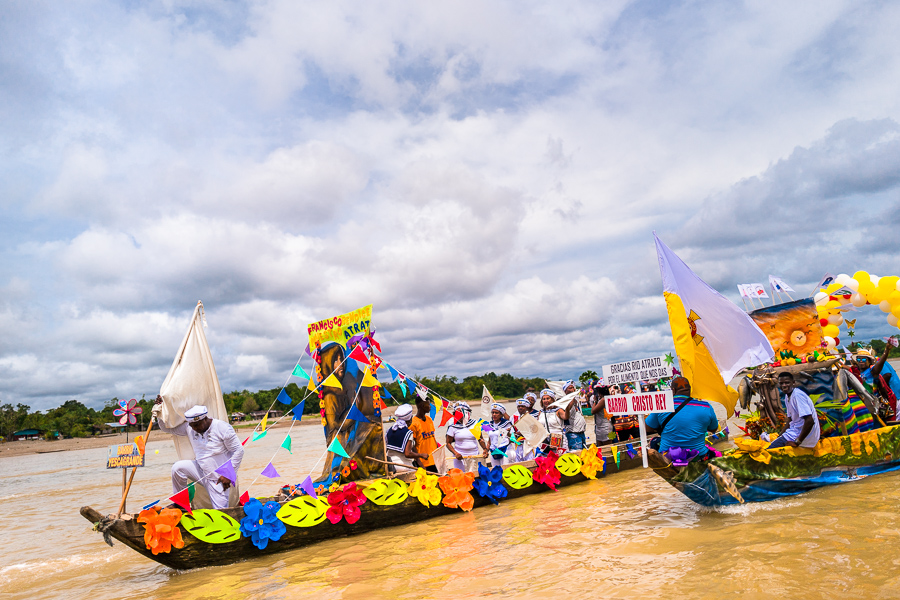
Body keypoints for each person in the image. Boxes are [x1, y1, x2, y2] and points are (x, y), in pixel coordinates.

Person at [153, 398, 244, 510]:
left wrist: (228, 474)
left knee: (222, 514)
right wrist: (160, 411)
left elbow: (239, 450)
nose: (195, 428)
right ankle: (181, 503)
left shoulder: (222, 428)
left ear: (205, 419)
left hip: (218, 479)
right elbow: (167, 429)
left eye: (198, 425)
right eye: (193, 425)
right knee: (177, 468)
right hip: (201, 472)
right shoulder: (189, 428)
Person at [645, 377, 718, 456]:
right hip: (698, 455)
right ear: (690, 389)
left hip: (669, 456)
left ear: (673, 390)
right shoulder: (706, 406)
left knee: (654, 441)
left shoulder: (662, 405)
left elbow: (648, 428)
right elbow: (713, 428)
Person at [767, 372, 821, 449]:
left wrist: (798, 441)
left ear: (793, 383)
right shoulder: (788, 395)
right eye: (781, 383)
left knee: (768, 452)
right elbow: (790, 420)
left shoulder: (797, 396)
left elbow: (810, 421)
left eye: (787, 383)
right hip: (794, 433)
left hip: (801, 436)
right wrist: (779, 436)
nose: (784, 386)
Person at [856, 346, 899, 419]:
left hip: (875, 404)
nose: (861, 361)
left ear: (869, 361)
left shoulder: (872, 371)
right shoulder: (858, 372)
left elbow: (882, 365)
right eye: (858, 359)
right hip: (865, 403)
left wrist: (886, 351)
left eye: (863, 359)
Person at [446, 402, 489, 471]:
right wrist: (456, 453)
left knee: (475, 476)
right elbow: (448, 443)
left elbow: (480, 439)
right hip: (459, 457)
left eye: (461, 412)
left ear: (467, 413)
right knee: (462, 477)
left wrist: (485, 449)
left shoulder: (474, 423)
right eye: (456, 413)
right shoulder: (452, 427)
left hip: (474, 455)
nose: (459, 414)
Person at [385, 404, 428, 472]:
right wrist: (421, 455)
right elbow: (407, 454)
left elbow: (386, 450)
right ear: (409, 419)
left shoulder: (389, 430)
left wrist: (421, 465)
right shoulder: (408, 433)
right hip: (404, 466)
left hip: (390, 466)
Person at [409, 396, 439, 473]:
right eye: (428, 405)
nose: (430, 407)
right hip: (423, 462)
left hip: (434, 461)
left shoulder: (429, 420)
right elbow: (412, 445)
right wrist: (419, 462)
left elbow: (433, 438)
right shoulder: (413, 423)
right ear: (422, 406)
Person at [537, 389, 567, 455]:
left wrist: (568, 407)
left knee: (559, 458)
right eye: (544, 399)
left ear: (552, 399)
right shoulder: (541, 412)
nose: (546, 401)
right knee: (546, 460)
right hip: (545, 440)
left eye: (548, 398)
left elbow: (566, 417)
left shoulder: (558, 410)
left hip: (557, 437)